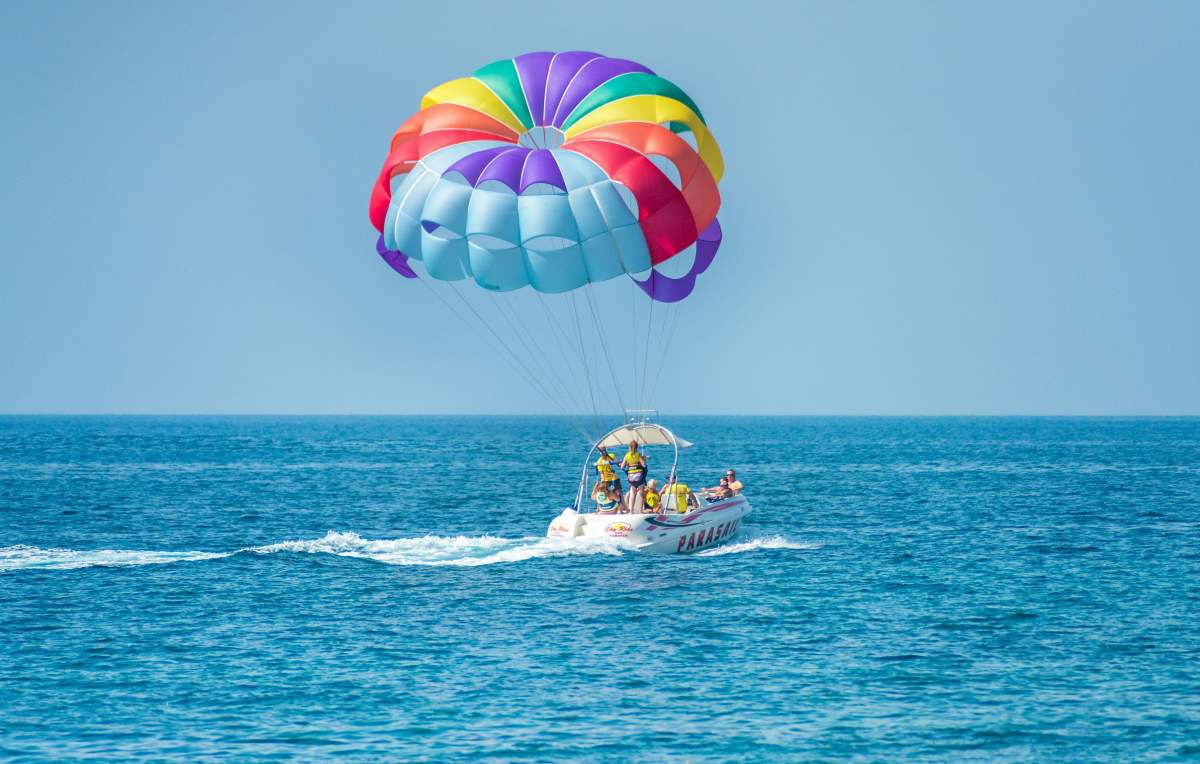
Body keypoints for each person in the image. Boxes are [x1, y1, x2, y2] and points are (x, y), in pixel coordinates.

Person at [621, 441, 647, 512]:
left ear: (629, 447)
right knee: (641, 493)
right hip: (639, 477)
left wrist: (627, 464)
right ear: (636, 447)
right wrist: (644, 459)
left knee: (632, 493)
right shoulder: (638, 455)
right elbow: (644, 465)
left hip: (631, 477)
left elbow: (622, 467)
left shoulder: (626, 456)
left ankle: (631, 511)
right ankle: (641, 510)